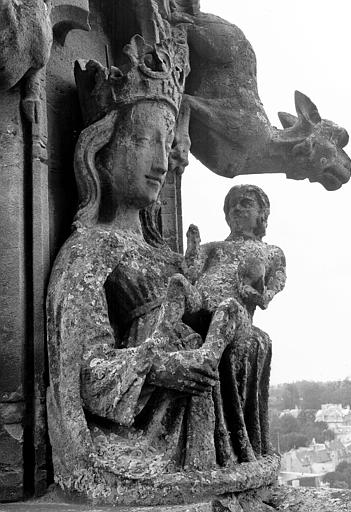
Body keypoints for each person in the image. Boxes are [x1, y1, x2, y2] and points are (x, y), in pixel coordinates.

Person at [46, 33, 280, 506]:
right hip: (142, 425)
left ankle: (232, 451)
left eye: (167, 142)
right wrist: (159, 363)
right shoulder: (89, 250)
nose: (162, 161)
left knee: (253, 339)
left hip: (201, 425)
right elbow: (81, 372)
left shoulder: (165, 254)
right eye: (143, 140)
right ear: (102, 150)